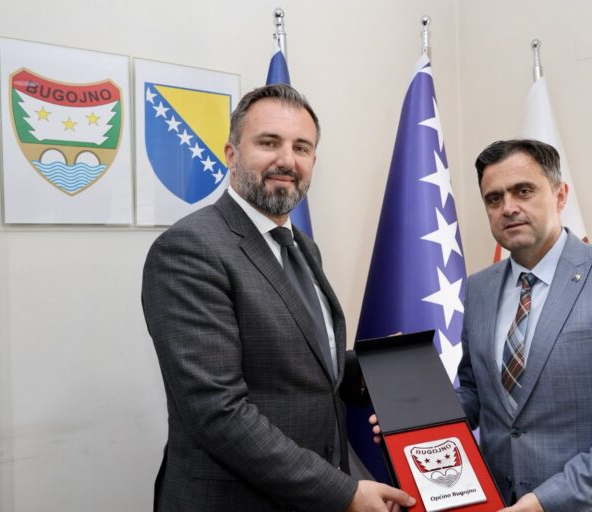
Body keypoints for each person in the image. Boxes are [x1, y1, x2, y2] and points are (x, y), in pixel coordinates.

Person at [142, 84, 414, 512]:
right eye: (269, 142)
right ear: (231, 154)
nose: (287, 160)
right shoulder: (190, 249)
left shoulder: (303, 247)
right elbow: (218, 411)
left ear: (313, 161)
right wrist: (344, 493)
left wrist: (371, 366)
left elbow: (286, 366)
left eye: (301, 147)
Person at [455, 139, 592, 511]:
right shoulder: (478, 289)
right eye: (494, 198)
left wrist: (545, 502)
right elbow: (476, 393)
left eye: (523, 191)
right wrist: (411, 417)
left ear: (560, 196)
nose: (508, 207)